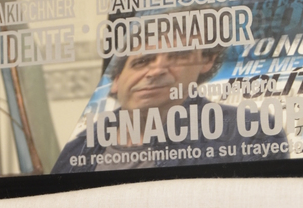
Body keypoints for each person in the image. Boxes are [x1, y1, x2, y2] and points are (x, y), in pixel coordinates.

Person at [52, 42, 285, 171]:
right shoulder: (75, 152)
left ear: (205, 63)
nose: (156, 71)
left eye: (176, 56)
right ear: (116, 81)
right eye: (143, 61)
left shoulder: (250, 131)